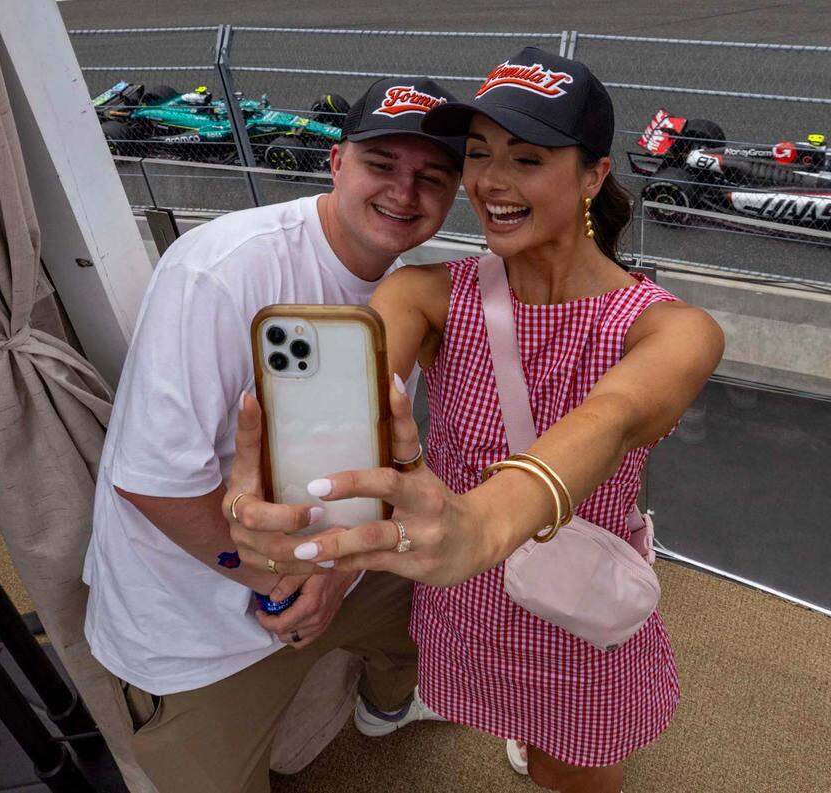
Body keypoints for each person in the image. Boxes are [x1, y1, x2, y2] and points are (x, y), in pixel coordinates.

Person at [228, 48, 724, 793]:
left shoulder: (668, 329)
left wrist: (487, 524)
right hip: (465, 595)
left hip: (572, 612)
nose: (490, 181)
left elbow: (614, 414)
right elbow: (351, 399)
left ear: (593, 175)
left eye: (527, 158)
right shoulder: (426, 293)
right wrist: (282, 491)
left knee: (576, 772)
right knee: (514, 722)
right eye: (480, 154)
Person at [82, 77, 465, 793]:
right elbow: (151, 479)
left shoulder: (411, 292)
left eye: (432, 178)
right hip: (192, 613)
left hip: (335, 559)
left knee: (441, 599)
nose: (405, 194)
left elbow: (384, 464)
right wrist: (284, 581)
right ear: (336, 163)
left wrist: (337, 572)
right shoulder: (222, 271)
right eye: (383, 166)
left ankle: (387, 702)